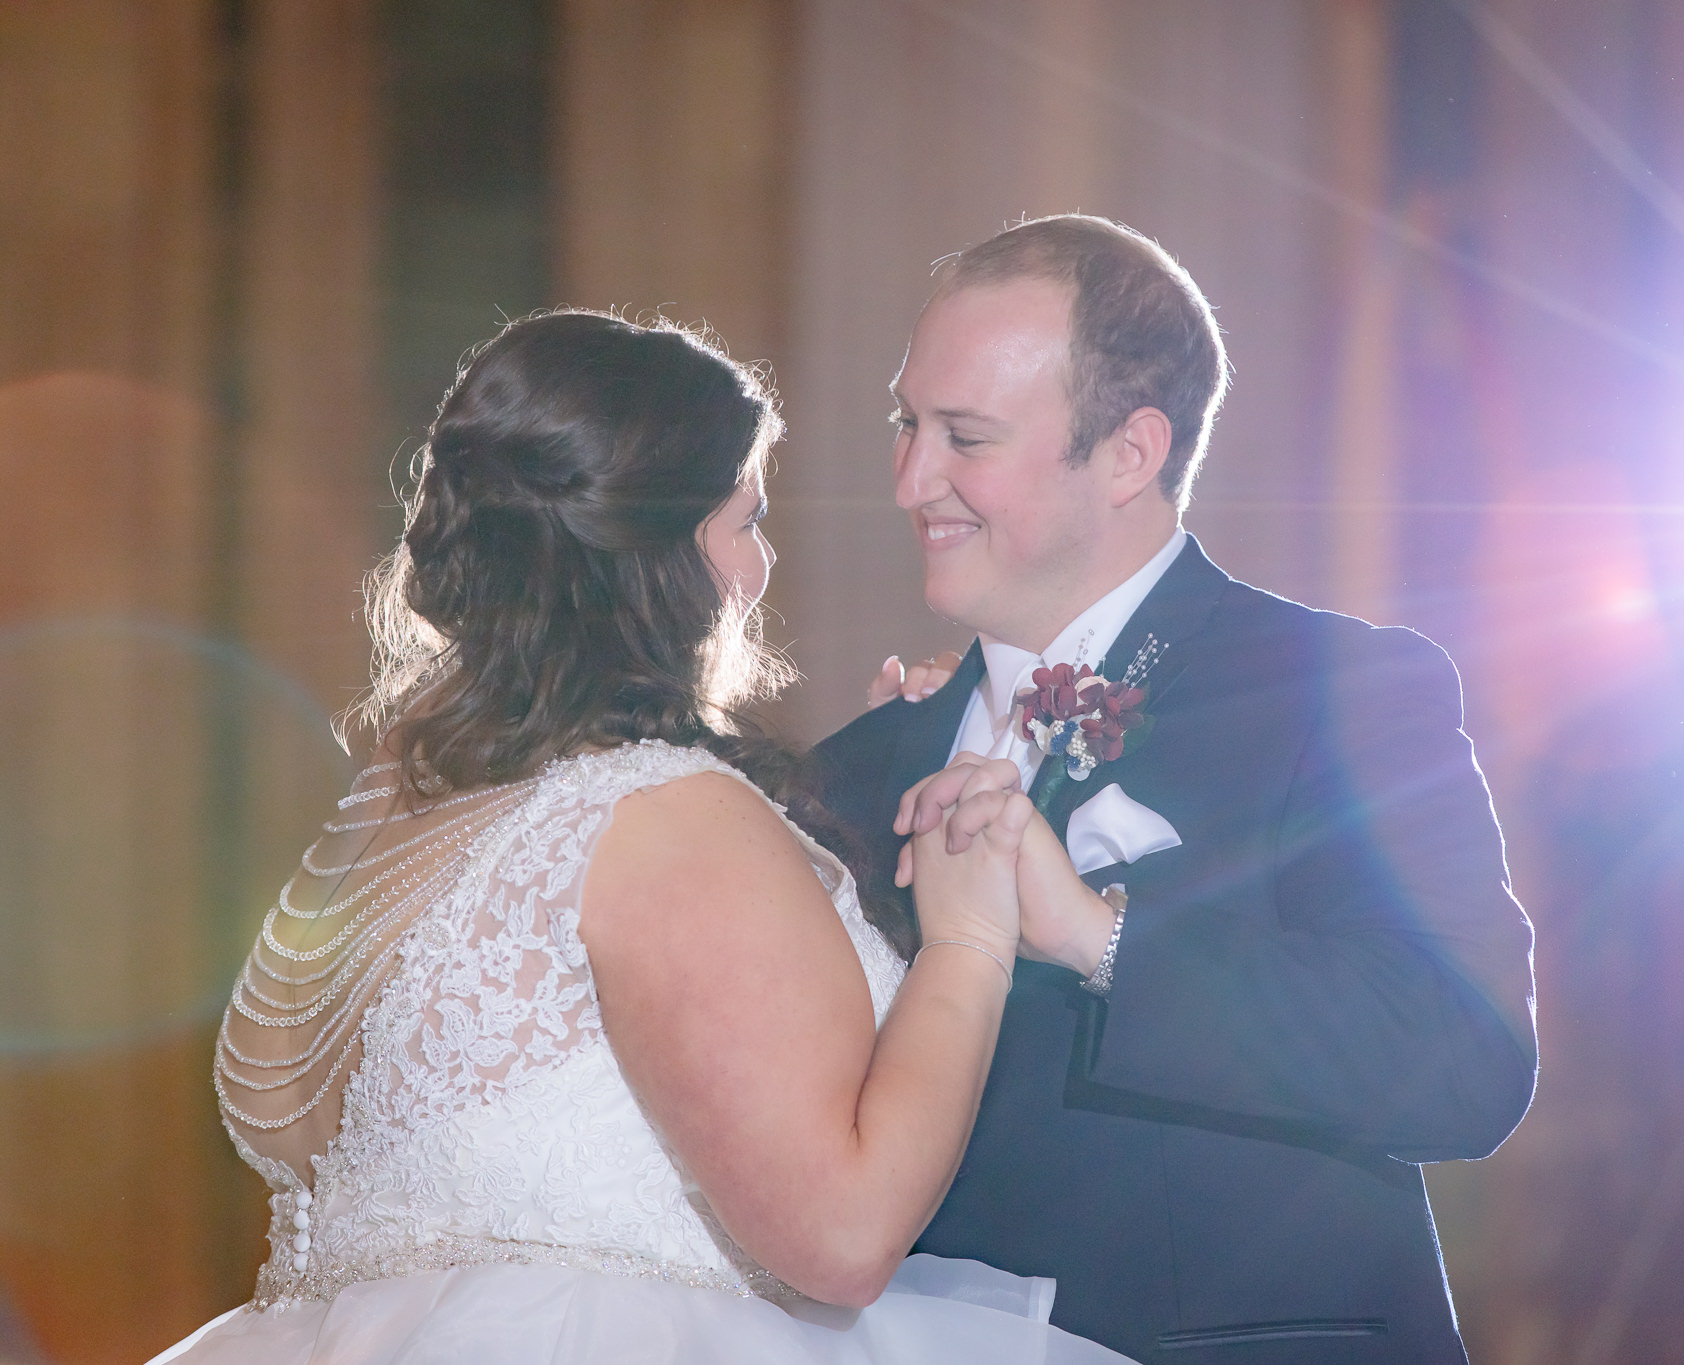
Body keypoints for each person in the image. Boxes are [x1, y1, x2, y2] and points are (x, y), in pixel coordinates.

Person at [149, 309, 1137, 1364]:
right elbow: (843, 1240)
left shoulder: (392, 804)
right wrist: (967, 939)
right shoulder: (659, 815)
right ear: (661, 554)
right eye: (744, 521)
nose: (758, 568)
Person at [816, 216, 1539, 1363]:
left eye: (966, 437)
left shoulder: (1336, 690)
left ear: (1128, 453)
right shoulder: (849, 772)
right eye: (906, 424)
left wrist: (1102, 939)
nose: (912, 480)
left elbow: (1465, 1060)